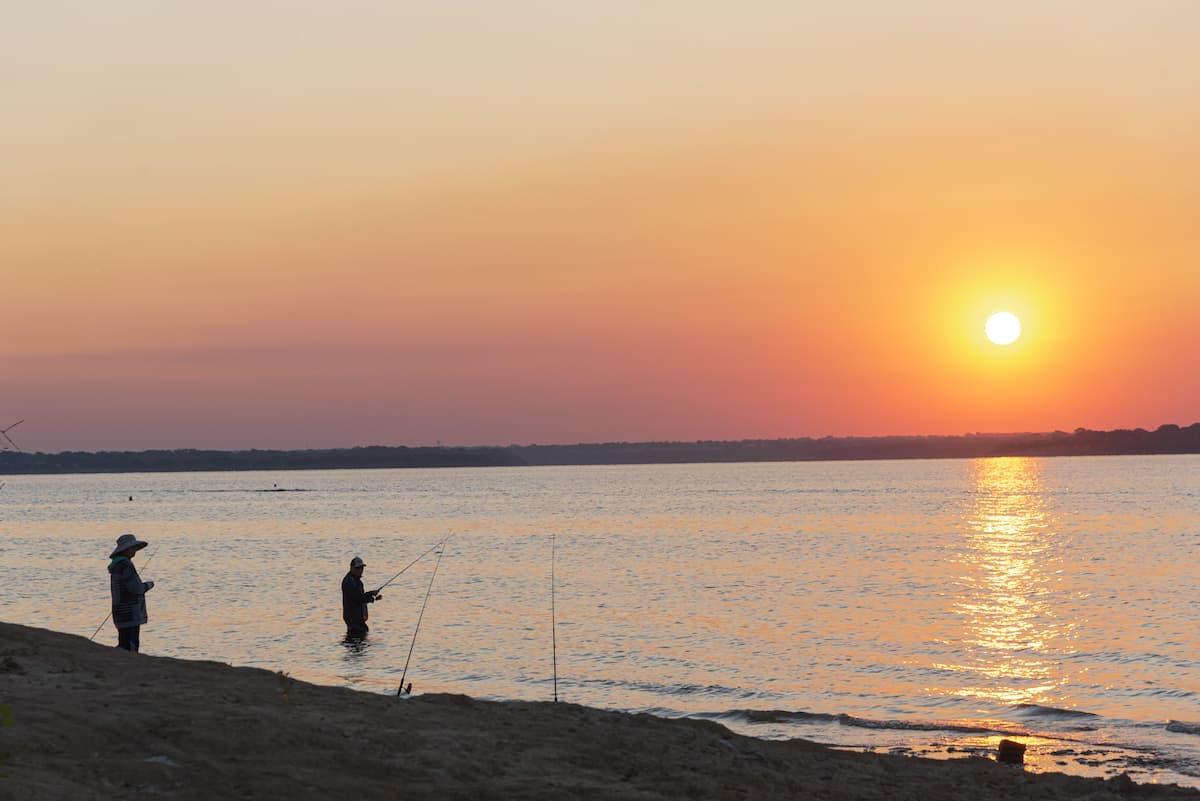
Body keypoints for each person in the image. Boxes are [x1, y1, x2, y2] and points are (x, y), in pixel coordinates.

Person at [108, 534, 155, 652]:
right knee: (131, 647)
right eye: (132, 548)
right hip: (130, 613)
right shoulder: (126, 565)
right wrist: (148, 585)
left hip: (119, 611)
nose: (135, 550)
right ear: (126, 550)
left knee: (123, 644)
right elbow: (136, 589)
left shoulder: (116, 565)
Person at [342, 556, 381, 636]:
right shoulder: (349, 581)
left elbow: (361, 598)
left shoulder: (358, 582)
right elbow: (357, 598)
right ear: (351, 568)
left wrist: (373, 598)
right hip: (353, 620)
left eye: (361, 568)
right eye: (358, 568)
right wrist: (370, 594)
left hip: (358, 619)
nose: (360, 570)